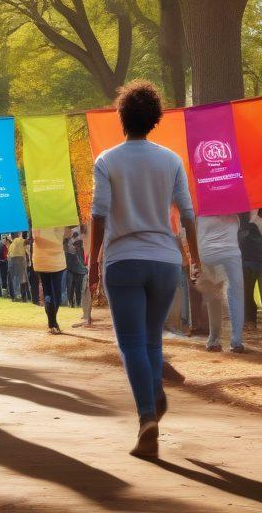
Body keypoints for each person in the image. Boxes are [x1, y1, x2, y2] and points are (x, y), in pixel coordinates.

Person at [89, 80, 198, 459]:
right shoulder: (170, 159)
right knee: (152, 340)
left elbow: (98, 215)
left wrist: (92, 266)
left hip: (123, 260)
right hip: (165, 260)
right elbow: (186, 213)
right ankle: (153, 392)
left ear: (121, 117)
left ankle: (147, 416)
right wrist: (193, 257)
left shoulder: (107, 160)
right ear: (155, 119)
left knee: (131, 343)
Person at [195, 214, 247, 353]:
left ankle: (214, 339)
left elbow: (196, 235)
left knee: (213, 295)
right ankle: (236, 341)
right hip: (231, 255)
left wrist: (195, 260)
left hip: (207, 255)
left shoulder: (202, 214)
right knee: (236, 294)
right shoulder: (234, 215)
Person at [32, 228, 67, 334]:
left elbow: (35, 237)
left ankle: (52, 323)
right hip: (56, 261)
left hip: (41, 260)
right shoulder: (59, 217)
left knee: (48, 292)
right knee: (56, 293)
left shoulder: (37, 219)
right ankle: (53, 322)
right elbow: (65, 236)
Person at [8, 233, 28, 301]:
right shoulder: (20, 239)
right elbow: (27, 243)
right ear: (18, 235)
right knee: (22, 278)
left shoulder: (11, 245)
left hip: (12, 261)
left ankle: (17, 295)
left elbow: (8, 256)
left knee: (15, 279)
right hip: (20, 259)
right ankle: (24, 296)